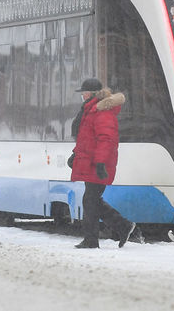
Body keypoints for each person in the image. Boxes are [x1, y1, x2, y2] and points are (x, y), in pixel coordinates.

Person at [67, 78, 136, 249]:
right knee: (92, 200)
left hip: (97, 164)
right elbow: (86, 139)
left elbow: (106, 140)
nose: (82, 95)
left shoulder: (102, 112)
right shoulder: (90, 111)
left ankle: (93, 240)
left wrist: (100, 163)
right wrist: (75, 155)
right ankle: (123, 226)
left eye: (83, 92)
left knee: (90, 200)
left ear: (90, 94)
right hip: (90, 161)